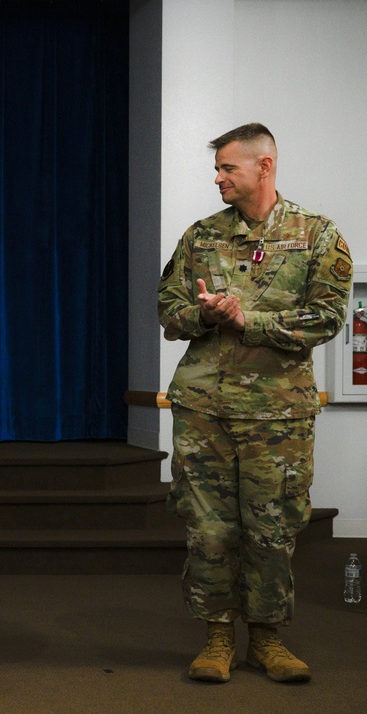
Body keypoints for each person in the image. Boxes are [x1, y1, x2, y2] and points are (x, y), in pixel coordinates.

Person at [157, 123, 352, 684]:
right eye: (216, 169)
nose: (218, 178)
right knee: (209, 529)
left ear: (264, 166)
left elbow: (327, 319)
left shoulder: (317, 235)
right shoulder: (200, 236)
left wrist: (249, 320)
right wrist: (205, 315)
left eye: (228, 168)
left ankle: (267, 640)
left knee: (272, 528)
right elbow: (168, 309)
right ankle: (217, 638)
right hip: (204, 409)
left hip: (278, 414)